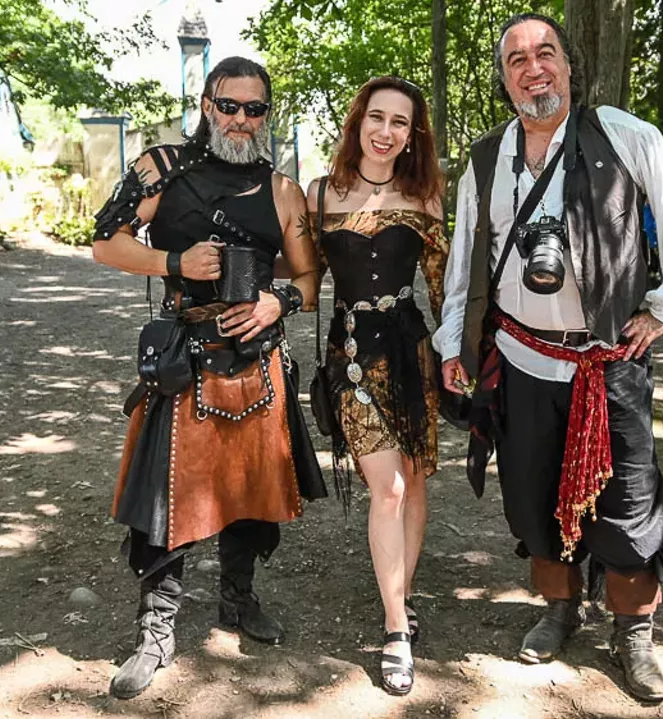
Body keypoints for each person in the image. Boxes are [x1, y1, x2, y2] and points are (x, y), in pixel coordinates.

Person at [434, 14, 663, 703]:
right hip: (523, 360)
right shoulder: (484, 159)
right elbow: (464, 264)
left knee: (629, 501)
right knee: (531, 494)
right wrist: (452, 342)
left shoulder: (622, 134)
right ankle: (560, 607)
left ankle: (633, 630)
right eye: (517, 60)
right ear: (504, 79)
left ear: (567, 64)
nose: (533, 68)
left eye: (545, 53)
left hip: (609, 363)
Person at [90, 56, 326, 699]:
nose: (242, 120)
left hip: (257, 360)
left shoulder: (283, 191)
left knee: (251, 489)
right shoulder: (161, 167)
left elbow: (309, 275)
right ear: (206, 104)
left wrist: (283, 301)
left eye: (255, 109)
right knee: (169, 499)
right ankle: (156, 631)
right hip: (184, 358)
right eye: (230, 106)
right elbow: (104, 242)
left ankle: (238, 600)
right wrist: (172, 259)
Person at [306, 76, 447, 696]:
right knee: (386, 487)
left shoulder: (426, 197)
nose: (387, 132)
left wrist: (469, 356)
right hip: (352, 357)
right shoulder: (319, 195)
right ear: (359, 120)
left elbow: (447, 289)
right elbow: (301, 274)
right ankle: (396, 629)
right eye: (378, 118)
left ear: (412, 135)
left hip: (412, 354)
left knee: (412, 482)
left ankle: (402, 594)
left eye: (401, 123)